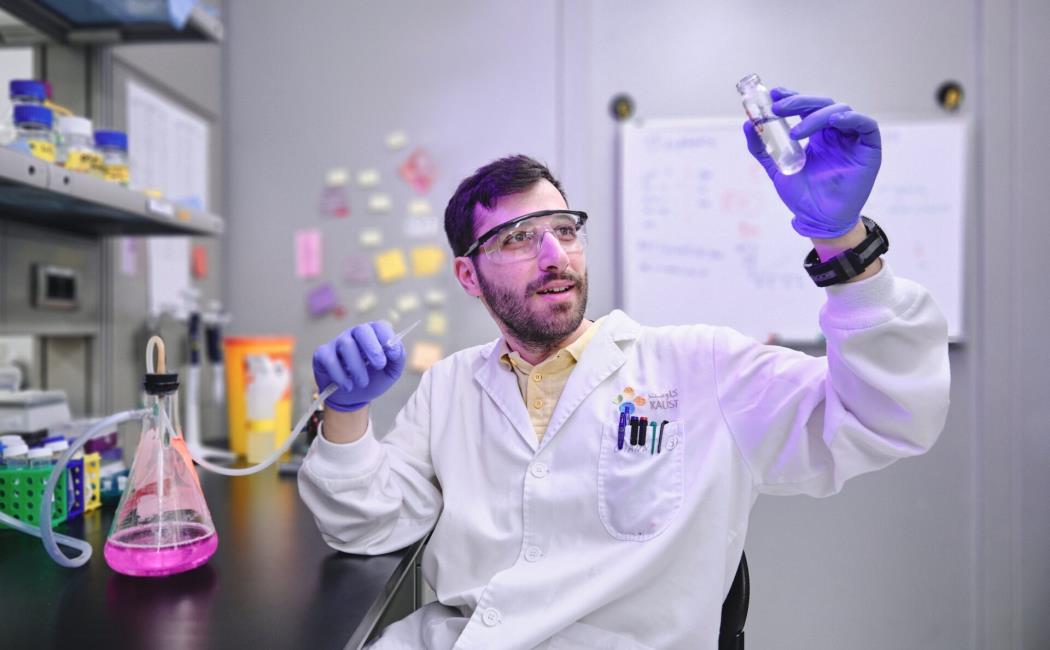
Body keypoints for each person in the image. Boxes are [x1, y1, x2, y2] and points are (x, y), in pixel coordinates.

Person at [298, 88, 951, 649]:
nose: (554, 255)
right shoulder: (449, 387)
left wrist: (843, 242)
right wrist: (347, 411)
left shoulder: (701, 368)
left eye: (564, 229)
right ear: (468, 275)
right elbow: (368, 526)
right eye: (519, 238)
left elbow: (884, 417)